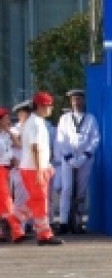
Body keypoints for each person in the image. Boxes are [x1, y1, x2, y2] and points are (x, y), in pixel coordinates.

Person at [54, 89, 99, 235]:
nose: (77, 102)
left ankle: (77, 222)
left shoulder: (91, 118)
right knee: (66, 189)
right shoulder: (65, 119)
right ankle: (63, 222)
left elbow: (95, 138)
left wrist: (85, 155)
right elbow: (61, 139)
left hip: (85, 158)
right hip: (68, 158)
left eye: (79, 99)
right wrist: (69, 157)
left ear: (83, 101)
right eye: (74, 100)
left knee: (81, 191)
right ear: (71, 102)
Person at [19, 92, 61, 245]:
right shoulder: (36, 123)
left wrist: (45, 166)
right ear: (41, 106)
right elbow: (35, 147)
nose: (51, 108)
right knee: (41, 201)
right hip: (34, 168)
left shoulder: (35, 121)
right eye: (49, 105)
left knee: (37, 201)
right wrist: (39, 170)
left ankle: (16, 219)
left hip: (33, 167)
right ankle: (44, 234)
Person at [0, 108, 18, 241]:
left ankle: (4, 232)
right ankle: (17, 231)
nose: (9, 121)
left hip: (7, 170)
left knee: (3, 203)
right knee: (7, 201)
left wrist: (10, 132)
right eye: (6, 118)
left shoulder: (5, 135)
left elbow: (18, 144)